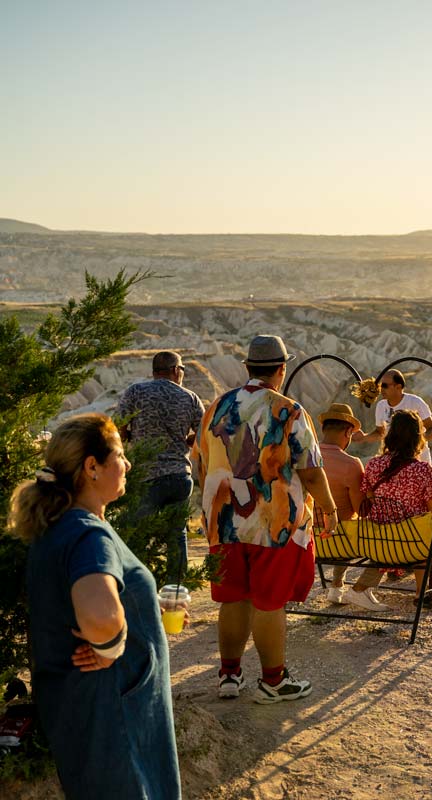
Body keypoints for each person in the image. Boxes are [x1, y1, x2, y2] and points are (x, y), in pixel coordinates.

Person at [9, 413, 181, 799]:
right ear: (92, 467)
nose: (128, 464)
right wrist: (113, 644)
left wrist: (144, 610)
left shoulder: (60, 526)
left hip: (83, 709)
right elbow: (100, 615)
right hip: (115, 714)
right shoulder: (89, 535)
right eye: (120, 454)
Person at [194, 335, 338, 704]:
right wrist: (329, 506)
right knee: (269, 602)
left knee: (233, 599)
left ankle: (229, 674)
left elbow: (200, 462)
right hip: (272, 523)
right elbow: (310, 469)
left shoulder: (216, 407)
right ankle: (273, 682)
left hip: (223, 521)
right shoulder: (287, 410)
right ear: (281, 369)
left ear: (247, 368)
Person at [114, 350, 204, 580]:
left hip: (146, 477)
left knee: (138, 535)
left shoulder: (136, 392)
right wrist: (186, 441)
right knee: (177, 534)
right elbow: (206, 431)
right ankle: (177, 590)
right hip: (178, 477)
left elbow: (118, 427)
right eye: (182, 370)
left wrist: (132, 439)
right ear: (175, 370)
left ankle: (139, 585)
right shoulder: (190, 397)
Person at [361, 410, 432, 607]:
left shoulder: (372, 465)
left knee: (421, 530)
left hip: (380, 543)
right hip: (413, 545)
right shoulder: (423, 471)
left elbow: (367, 497)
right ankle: (428, 591)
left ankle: (427, 590)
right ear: (417, 438)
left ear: (390, 435)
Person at [317, 403, 388, 611]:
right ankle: (361, 589)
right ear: (348, 431)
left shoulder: (305, 456)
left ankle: (336, 586)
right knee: (380, 535)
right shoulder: (351, 463)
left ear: (323, 429)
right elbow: (361, 510)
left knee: (345, 522)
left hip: (309, 540)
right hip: (340, 542)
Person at [356, 369, 432, 463]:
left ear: (398, 387)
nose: (381, 389)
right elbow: (380, 433)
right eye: (380, 385)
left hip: (419, 461)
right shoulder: (381, 406)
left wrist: (414, 442)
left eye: (385, 386)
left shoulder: (415, 402)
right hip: (393, 462)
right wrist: (364, 437)